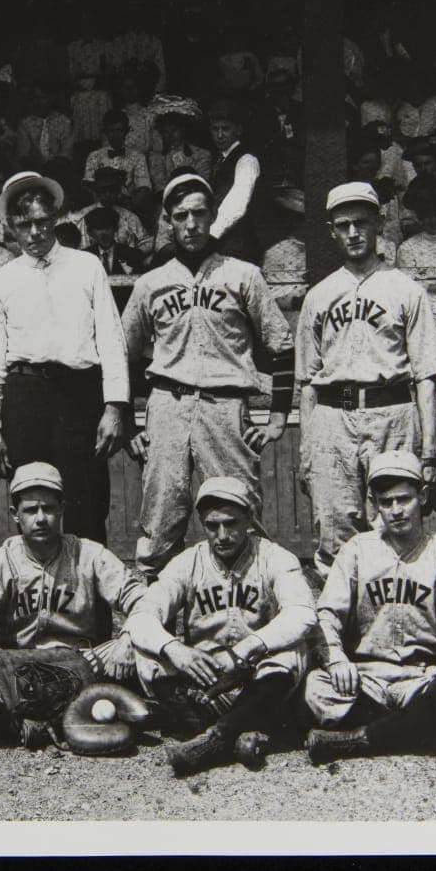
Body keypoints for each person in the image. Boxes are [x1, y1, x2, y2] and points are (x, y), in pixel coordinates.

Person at [122, 174, 294, 580]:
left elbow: (282, 345)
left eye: (199, 213)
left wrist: (278, 417)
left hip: (225, 405)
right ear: (168, 221)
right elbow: (123, 354)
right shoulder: (151, 283)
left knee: (239, 510)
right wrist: (128, 422)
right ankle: (156, 603)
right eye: (181, 216)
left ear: (214, 215)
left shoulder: (243, 275)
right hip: (168, 404)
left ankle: (250, 599)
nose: (191, 224)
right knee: (162, 514)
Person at [303, 451, 436, 763]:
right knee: (315, 686)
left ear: (423, 496)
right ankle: (412, 730)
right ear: (374, 504)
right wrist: (336, 659)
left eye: (404, 499)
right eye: (386, 502)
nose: (396, 510)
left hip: (424, 676)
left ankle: (360, 739)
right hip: (367, 678)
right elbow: (328, 615)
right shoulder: (356, 550)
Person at [295, 181, 436, 580]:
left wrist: (431, 452)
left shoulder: (406, 290)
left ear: (378, 223)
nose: (353, 233)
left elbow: (426, 375)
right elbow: (307, 382)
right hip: (332, 418)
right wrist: (307, 449)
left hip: (391, 411)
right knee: (334, 532)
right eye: (343, 225)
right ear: (332, 231)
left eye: (361, 222)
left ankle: (397, 617)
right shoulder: (319, 295)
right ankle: (341, 620)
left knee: (395, 528)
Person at [125, 477, 316, 776]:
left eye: (231, 523)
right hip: (204, 677)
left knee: (293, 650)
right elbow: (141, 615)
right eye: (212, 526)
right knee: (147, 653)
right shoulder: (188, 562)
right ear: (202, 523)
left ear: (249, 519)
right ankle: (237, 732)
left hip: (256, 675)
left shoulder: (275, 557)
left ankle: (217, 738)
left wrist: (245, 650)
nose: (222, 535)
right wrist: (174, 649)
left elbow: (302, 613)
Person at [0, 172, 129, 545]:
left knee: (87, 503)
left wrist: (114, 408)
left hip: (80, 395)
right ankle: (36, 582)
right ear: (10, 227)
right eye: (23, 225)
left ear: (55, 218)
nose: (34, 232)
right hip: (25, 397)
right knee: (32, 501)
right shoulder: (3, 278)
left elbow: (112, 340)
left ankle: (89, 583)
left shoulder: (87, 266)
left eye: (42, 221)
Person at [0, 462, 146, 721]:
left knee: (150, 658)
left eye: (49, 508)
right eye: (30, 510)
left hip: (83, 661)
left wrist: (127, 639)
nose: (41, 518)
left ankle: (31, 716)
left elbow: (143, 600)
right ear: (15, 514)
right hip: (17, 664)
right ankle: (65, 710)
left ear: (62, 509)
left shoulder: (88, 554)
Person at [206, 97, 266, 265]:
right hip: (222, 244)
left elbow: (237, 204)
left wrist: (211, 236)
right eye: (215, 129)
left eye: (225, 129)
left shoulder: (246, 160)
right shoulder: (220, 161)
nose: (219, 135)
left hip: (239, 246)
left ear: (238, 130)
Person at [62, 166, 152, 253]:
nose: (108, 194)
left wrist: (133, 255)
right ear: (97, 192)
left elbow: (147, 242)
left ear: (118, 192)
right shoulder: (81, 217)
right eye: (103, 190)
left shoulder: (129, 217)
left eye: (112, 190)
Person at [82, 109, 151, 202]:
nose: (115, 135)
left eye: (119, 130)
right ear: (105, 132)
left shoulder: (138, 157)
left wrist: (130, 206)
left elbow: (144, 187)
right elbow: (88, 185)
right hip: (101, 204)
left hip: (127, 204)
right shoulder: (94, 156)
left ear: (127, 131)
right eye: (111, 131)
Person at [83, 206, 146, 276]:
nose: (104, 233)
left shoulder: (132, 255)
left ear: (115, 228)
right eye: (98, 228)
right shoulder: (84, 257)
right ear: (90, 232)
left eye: (107, 227)